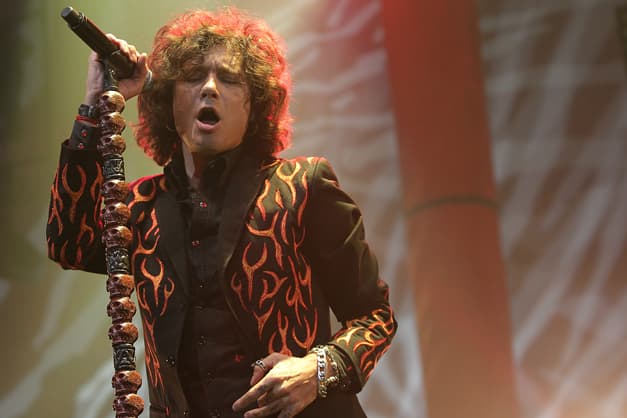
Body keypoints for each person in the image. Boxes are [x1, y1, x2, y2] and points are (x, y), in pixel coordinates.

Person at [47, 7, 396, 418]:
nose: (209, 88)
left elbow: (374, 316)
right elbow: (68, 245)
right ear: (168, 99)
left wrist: (316, 369)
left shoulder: (302, 186)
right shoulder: (138, 207)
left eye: (229, 79)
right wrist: (94, 104)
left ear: (255, 106)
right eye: (193, 77)